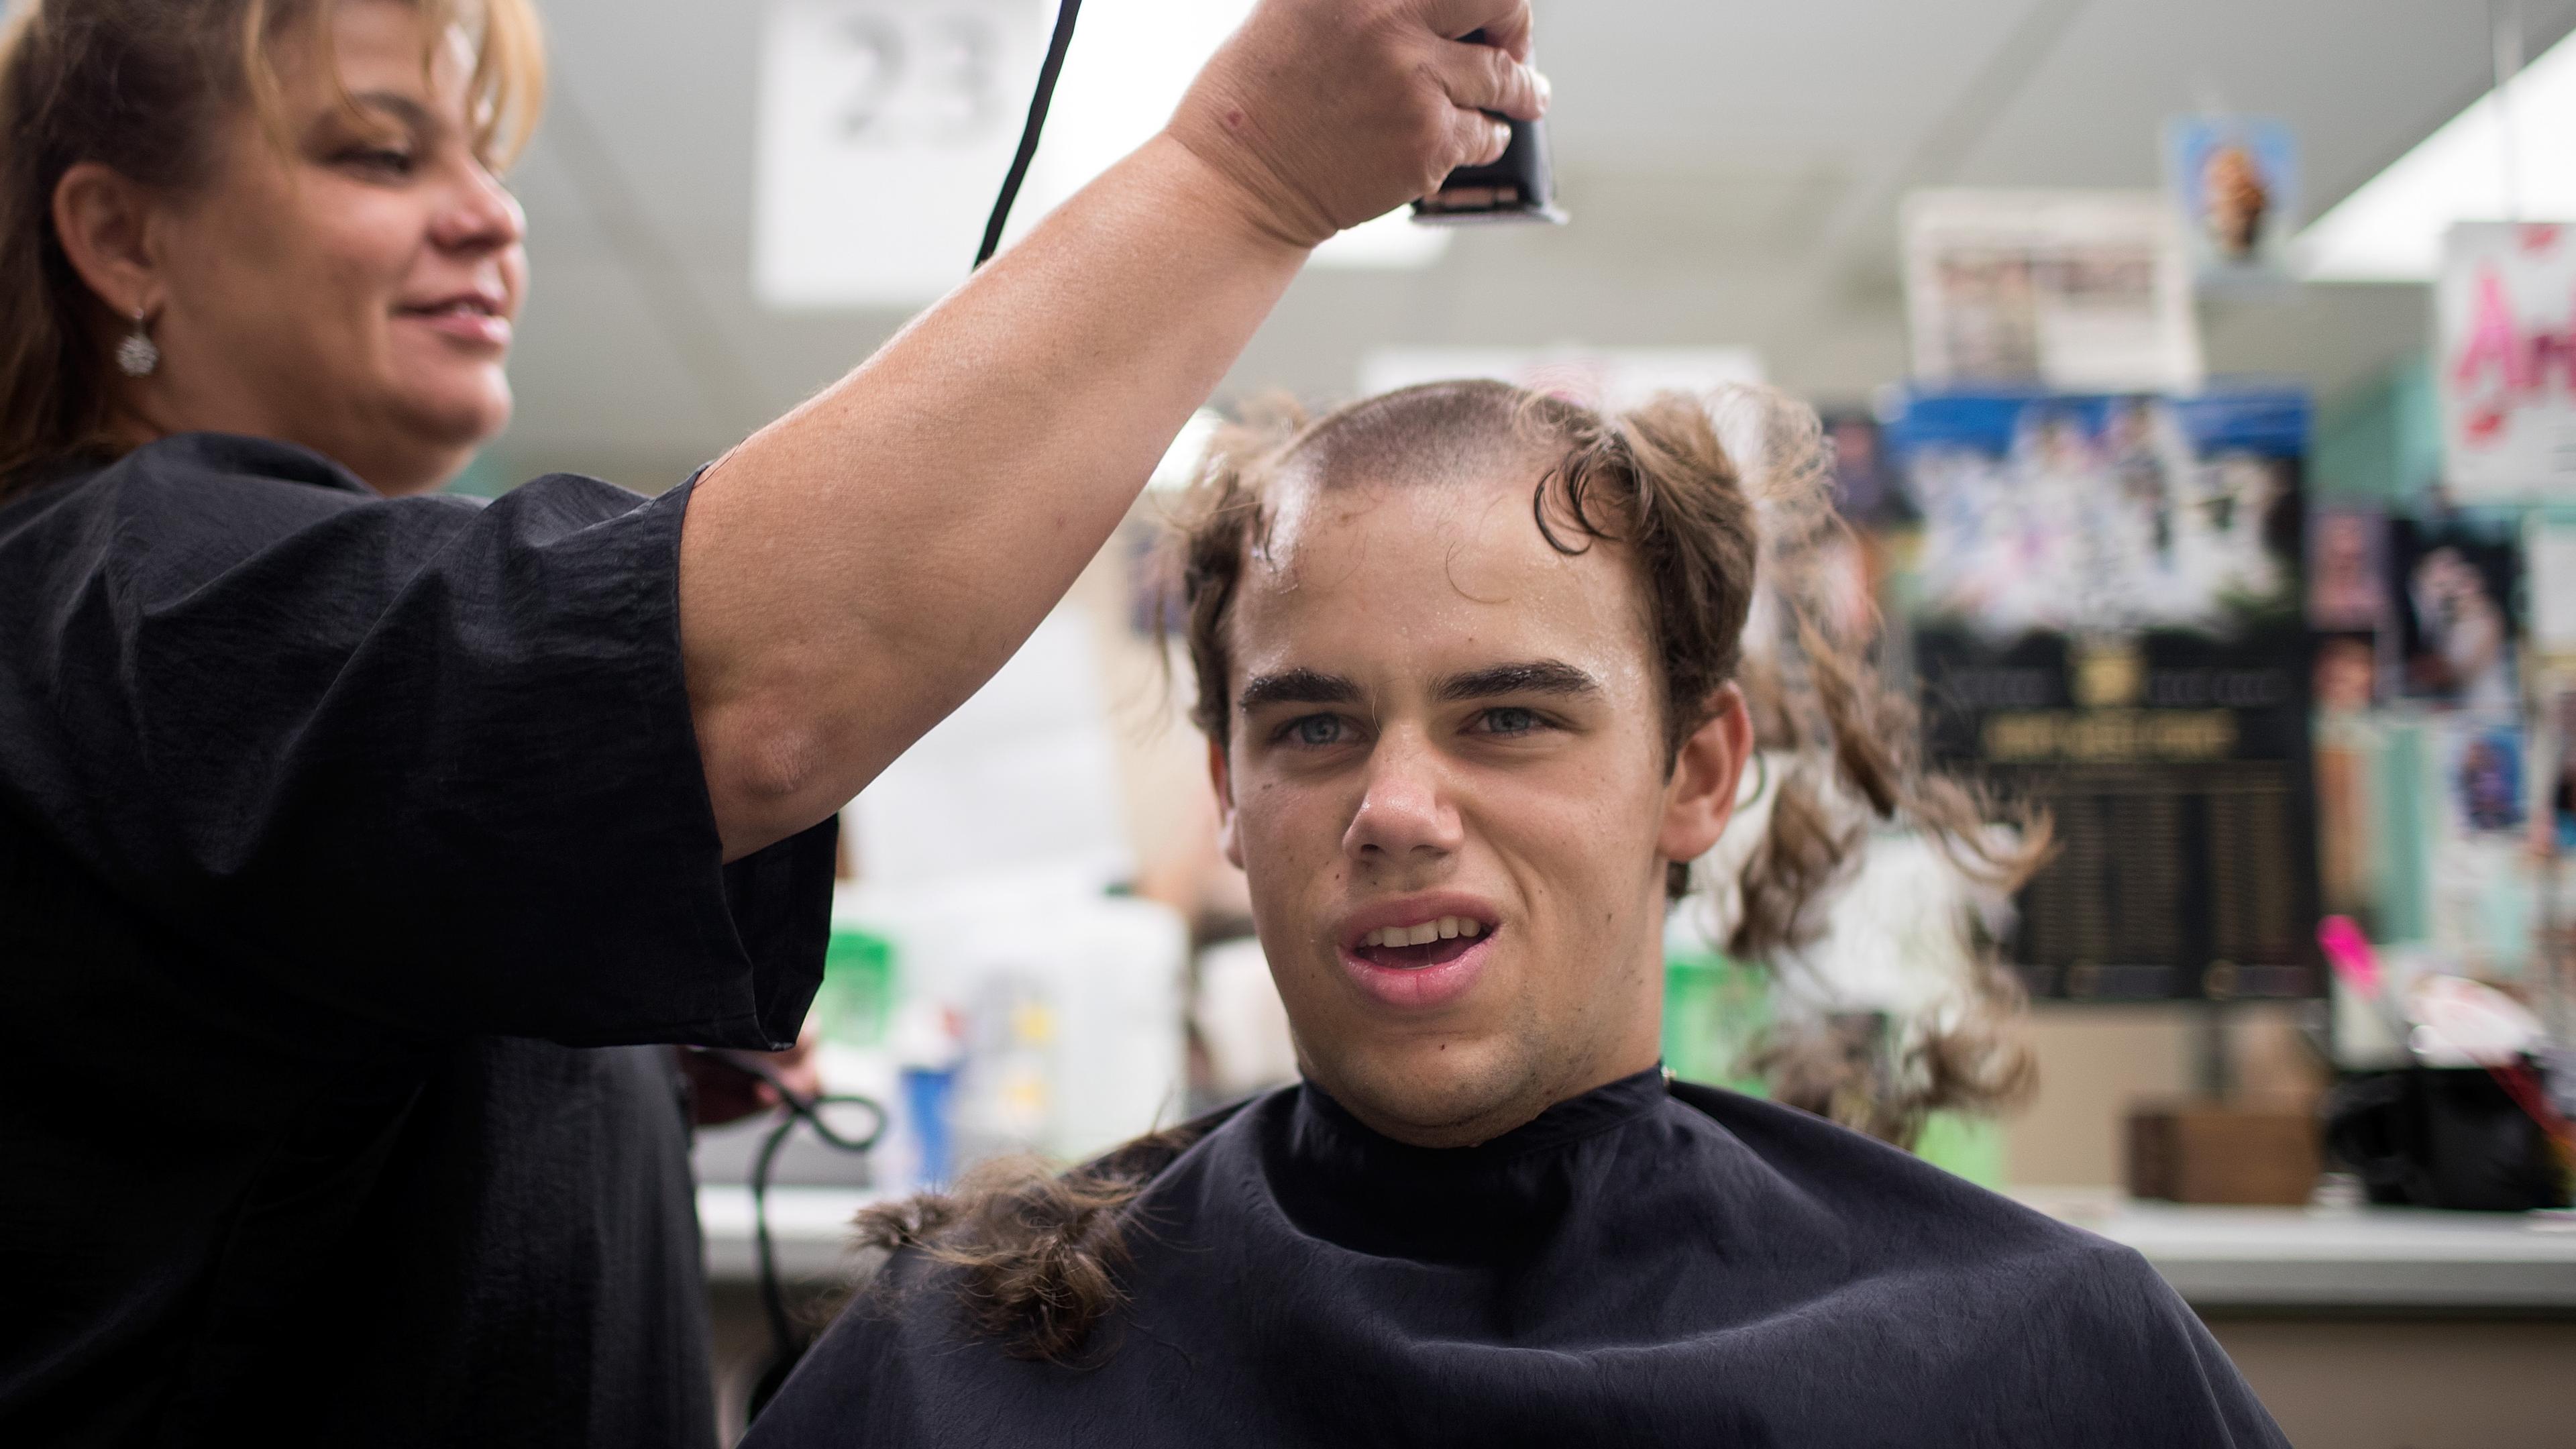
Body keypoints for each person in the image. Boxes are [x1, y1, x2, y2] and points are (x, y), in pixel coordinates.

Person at [0, 0, 1548, 1443]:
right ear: (121, 236)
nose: (489, 215)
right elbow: (757, 693)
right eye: (379, 153)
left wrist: (584, 1066)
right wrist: (1256, 170)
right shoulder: (137, 591)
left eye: (488, 159)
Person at [743, 381, 2290, 1447]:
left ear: (1694, 773)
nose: (1397, 810)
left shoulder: (2034, 1357)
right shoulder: (960, 1366)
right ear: (1227, 789)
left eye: (1508, 720)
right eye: (1314, 729)